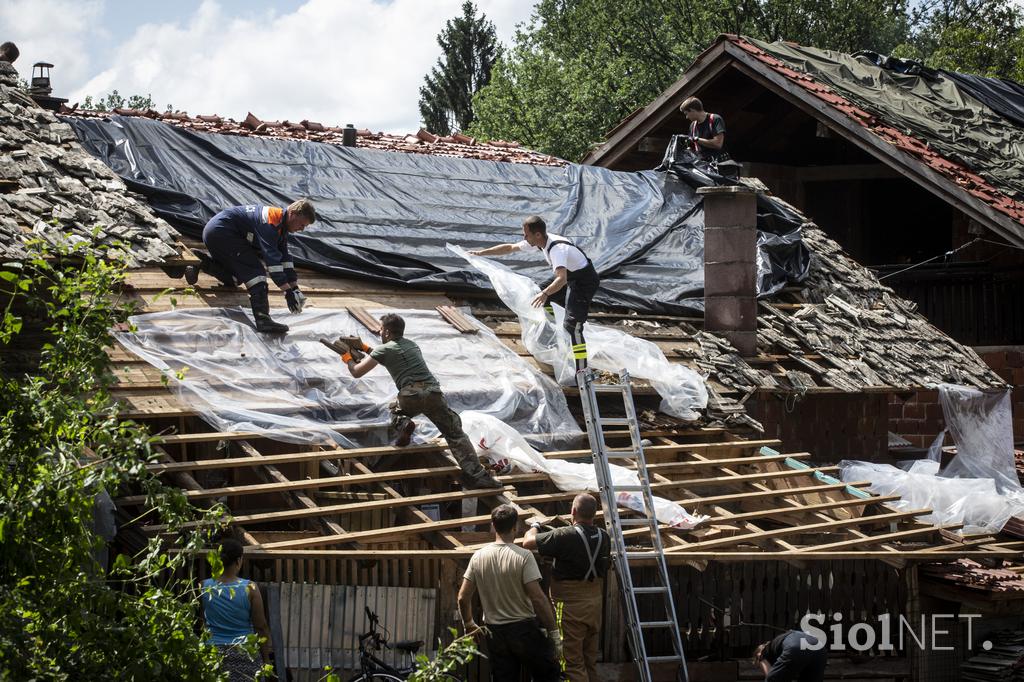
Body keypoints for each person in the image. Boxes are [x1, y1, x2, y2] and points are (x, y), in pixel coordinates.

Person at [339, 313, 502, 489]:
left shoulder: (383, 350)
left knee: (394, 408)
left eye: (381, 330)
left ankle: (404, 423)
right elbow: (389, 357)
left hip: (410, 397)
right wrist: (364, 347)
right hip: (433, 395)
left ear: (386, 332)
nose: (380, 333)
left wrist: (347, 358)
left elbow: (357, 372)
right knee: (455, 435)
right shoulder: (412, 345)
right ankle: (478, 476)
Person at [470, 215, 600, 377]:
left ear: (537, 235)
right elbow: (510, 248)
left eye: (526, 235)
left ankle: (582, 371)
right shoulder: (540, 241)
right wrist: (481, 253)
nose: (524, 238)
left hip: (584, 282)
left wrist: (545, 294)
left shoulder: (557, 250)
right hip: (570, 275)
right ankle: (554, 335)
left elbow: (561, 279)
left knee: (573, 326)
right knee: (537, 294)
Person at [458, 504, 562, 682]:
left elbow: (463, 597)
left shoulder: (478, 557)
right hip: (523, 630)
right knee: (549, 674)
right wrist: (554, 633)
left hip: (494, 633)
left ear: (493, 525)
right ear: (516, 527)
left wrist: (468, 623)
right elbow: (538, 598)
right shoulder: (523, 556)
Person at [185, 199, 316, 334]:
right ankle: (263, 319)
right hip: (223, 232)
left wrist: (295, 289)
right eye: (301, 224)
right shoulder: (271, 222)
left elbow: (284, 258)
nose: (302, 229)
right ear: (293, 214)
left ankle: (200, 261)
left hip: (218, 233)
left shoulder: (281, 227)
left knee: (235, 279)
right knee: (256, 274)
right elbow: (273, 264)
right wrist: (287, 292)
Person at [523, 493, 609, 682]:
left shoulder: (564, 535)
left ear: (573, 511)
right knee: (589, 661)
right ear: (594, 514)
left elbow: (527, 542)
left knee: (571, 663)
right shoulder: (604, 536)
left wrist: (535, 526)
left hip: (570, 607)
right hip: (594, 605)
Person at [199, 538, 273, 682]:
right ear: (239, 561)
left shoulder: (203, 586)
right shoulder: (250, 588)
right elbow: (261, 627)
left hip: (214, 654)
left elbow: (202, 622)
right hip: (245, 653)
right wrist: (266, 659)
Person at [753, 629, 828, 682]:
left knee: (773, 679)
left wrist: (761, 660)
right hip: (820, 648)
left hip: (796, 647)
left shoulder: (762, 653)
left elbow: (771, 676)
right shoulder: (779, 643)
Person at [679, 97, 728, 164]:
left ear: (692, 110)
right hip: (704, 165)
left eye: (686, 113)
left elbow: (718, 144)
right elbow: (691, 146)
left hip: (721, 165)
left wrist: (696, 139)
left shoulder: (715, 119)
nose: (686, 117)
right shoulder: (692, 126)